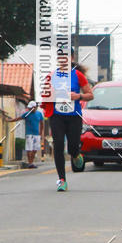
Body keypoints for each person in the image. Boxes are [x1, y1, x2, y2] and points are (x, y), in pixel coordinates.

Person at [42, 47, 93, 191]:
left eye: (66, 57)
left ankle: (76, 155)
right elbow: (45, 95)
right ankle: (62, 180)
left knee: (72, 147)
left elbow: (90, 95)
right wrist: (50, 94)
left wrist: (78, 96)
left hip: (74, 117)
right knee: (58, 145)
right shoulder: (51, 75)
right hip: (57, 116)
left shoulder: (78, 75)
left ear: (71, 58)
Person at [9, 100, 44, 167]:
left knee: (35, 149)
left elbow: (42, 124)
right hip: (29, 134)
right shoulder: (27, 114)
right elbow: (18, 118)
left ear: (35, 107)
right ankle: (30, 163)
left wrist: (40, 133)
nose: (30, 109)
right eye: (30, 108)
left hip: (36, 134)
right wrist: (10, 120)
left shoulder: (39, 114)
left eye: (32, 108)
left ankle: (31, 162)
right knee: (29, 149)